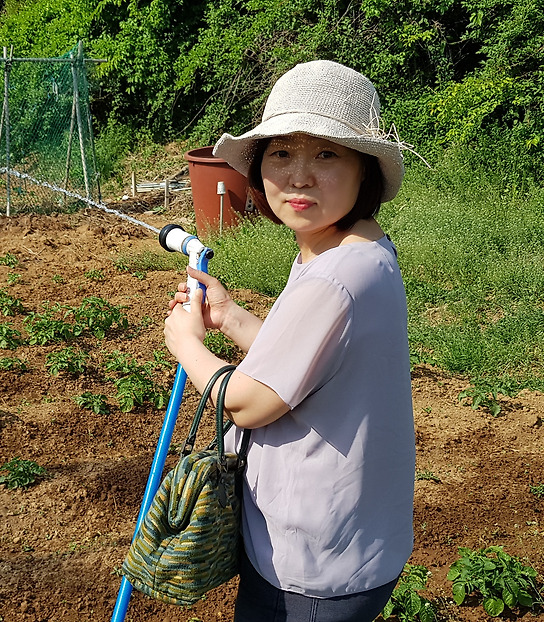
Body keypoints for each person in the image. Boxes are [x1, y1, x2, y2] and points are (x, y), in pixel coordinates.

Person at [163, 60, 415, 621]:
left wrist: (187, 344)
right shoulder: (357, 249)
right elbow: (306, 360)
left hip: (311, 567)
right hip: (352, 538)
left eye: (326, 154)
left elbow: (248, 403)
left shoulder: (334, 277)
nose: (299, 176)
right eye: (281, 154)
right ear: (259, 167)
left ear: (364, 170)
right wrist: (231, 317)